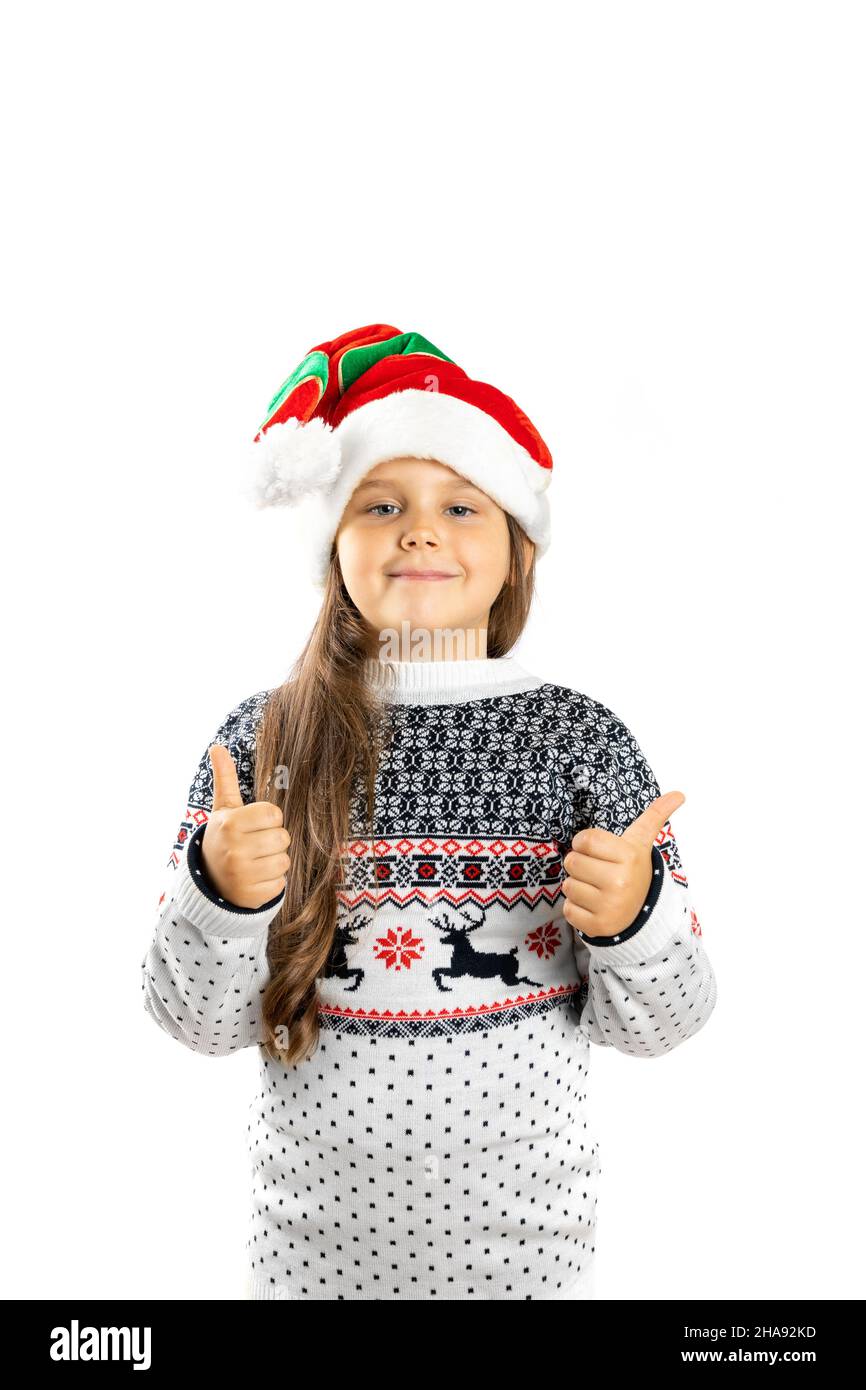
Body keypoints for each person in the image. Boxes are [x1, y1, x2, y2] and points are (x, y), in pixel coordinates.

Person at [141, 322, 718, 1301]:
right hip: (303, 1264)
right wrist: (218, 895)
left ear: (512, 557)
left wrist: (633, 915)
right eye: (380, 503)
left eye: (460, 504)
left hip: (527, 1264)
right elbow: (194, 1022)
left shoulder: (581, 742)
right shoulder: (257, 743)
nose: (419, 528)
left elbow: (666, 1021)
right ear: (333, 545)